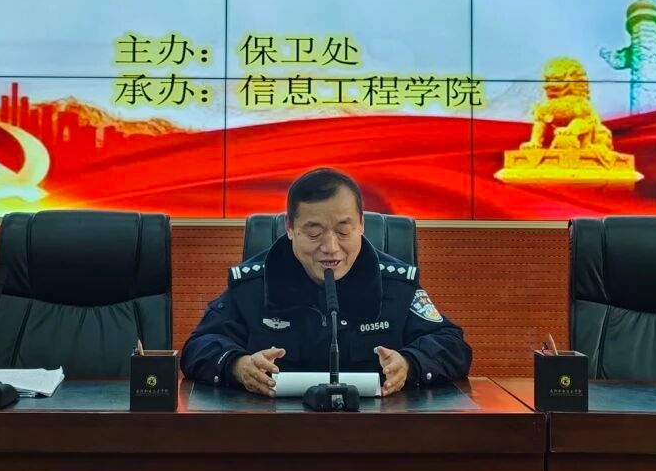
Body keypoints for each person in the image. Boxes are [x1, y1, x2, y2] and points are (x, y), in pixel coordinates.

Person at [180, 168, 472, 396]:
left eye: (343, 231)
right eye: (314, 232)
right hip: (274, 435)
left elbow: (453, 346)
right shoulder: (254, 284)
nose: (331, 247)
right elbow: (198, 347)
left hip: (377, 436)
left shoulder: (396, 284)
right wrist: (237, 365)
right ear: (290, 228)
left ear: (361, 225)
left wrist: (410, 364)